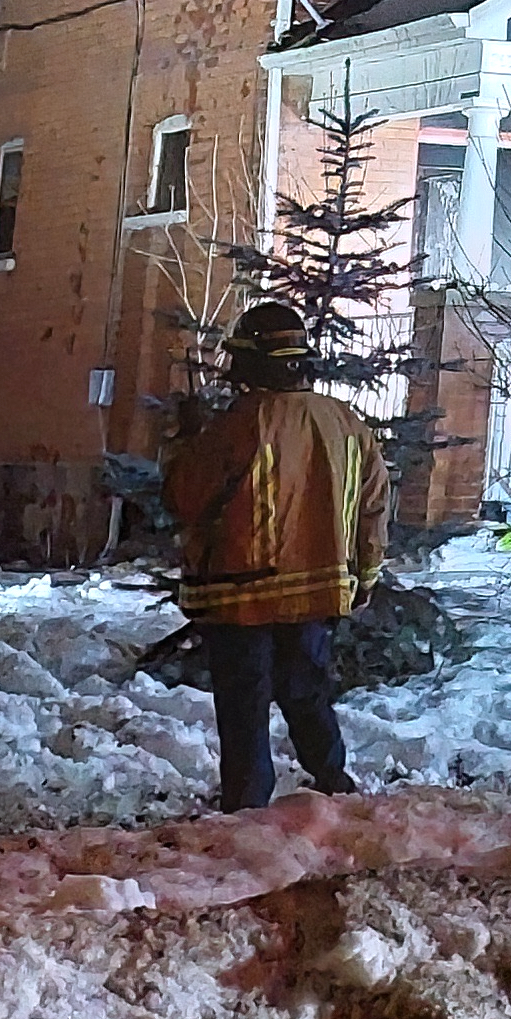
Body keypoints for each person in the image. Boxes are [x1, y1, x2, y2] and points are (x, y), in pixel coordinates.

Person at [161, 297, 387, 806]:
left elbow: (184, 498)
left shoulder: (241, 423)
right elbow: (373, 507)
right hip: (318, 594)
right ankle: (333, 782)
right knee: (307, 692)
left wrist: (184, 440)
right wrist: (366, 575)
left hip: (242, 598)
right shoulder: (346, 423)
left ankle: (247, 808)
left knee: (244, 704)